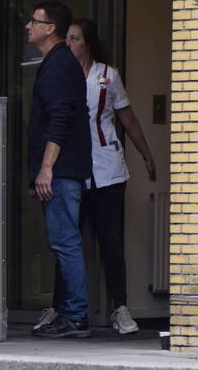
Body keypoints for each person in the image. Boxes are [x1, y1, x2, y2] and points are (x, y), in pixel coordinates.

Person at [61, 18, 157, 334]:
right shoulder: (60, 74)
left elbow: (127, 119)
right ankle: (59, 309)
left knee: (111, 240)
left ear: (88, 42)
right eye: (67, 38)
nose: (68, 44)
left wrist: (145, 155)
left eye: (74, 39)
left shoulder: (107, 76)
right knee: (66, 240)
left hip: (107, 169)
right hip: (72, 169)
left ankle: (120, 308)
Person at [25, 1, 93, 338]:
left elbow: (60, 119)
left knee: (65, 242)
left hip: (62, 171)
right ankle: (70, 313)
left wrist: (46, 169)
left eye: (34, 21)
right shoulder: (60, 62)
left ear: (50, 28)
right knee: (63, 241)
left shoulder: (58, 65)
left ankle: (76, 316)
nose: (28, 26)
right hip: (64, 169)